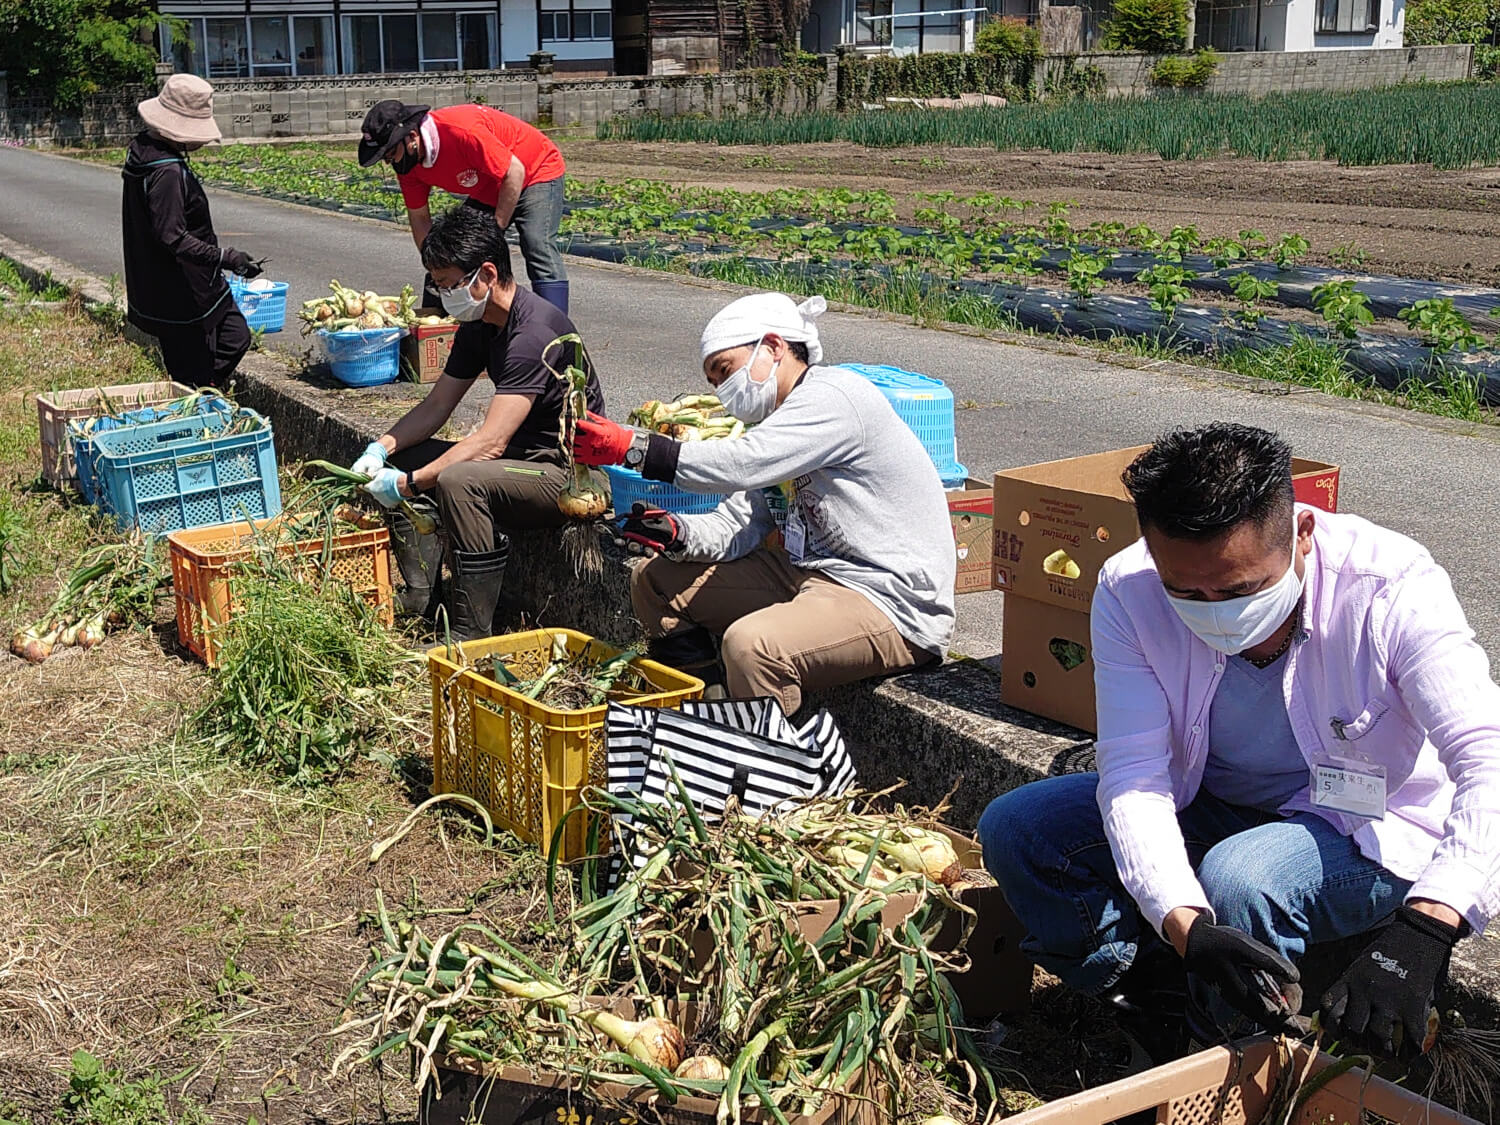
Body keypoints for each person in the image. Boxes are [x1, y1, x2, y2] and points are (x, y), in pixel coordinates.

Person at [979, 422, 1500, 1062]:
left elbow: (1486, 758)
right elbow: (1136, 775)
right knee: (1019, 827)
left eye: (1239, 590)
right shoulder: (1129, 588)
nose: (1215, 612)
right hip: (1215, 795)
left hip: (1369, 820)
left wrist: (1429, 925)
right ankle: (1155, 995)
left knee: (1242, 878)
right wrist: (1185, 925)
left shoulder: (1390, 587)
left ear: (1302, 533)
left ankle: (1230, 1061)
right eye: (1187, 593)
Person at [571, 292, 955, 718]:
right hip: (809, 571)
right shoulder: (776, 419)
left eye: (725, 371)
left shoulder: (835, 397)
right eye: (714, 381)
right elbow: (741, 519)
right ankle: (703, 716)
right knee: (654, 581)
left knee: (752, 645)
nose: (722, 389)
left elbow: (743, 463)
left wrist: (635, 448)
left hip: (887, 595)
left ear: (772, 347)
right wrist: (679, 533)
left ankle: (769, 771)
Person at [348, 205, 603, 641]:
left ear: (486, 274)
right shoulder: (481, 324)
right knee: (410, 457)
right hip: (518, 460)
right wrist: (382, 449)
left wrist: (410, 485)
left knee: (459, 479)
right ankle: (422, 594)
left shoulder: (533, 335)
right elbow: (436, 406)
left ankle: (472, 630)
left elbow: (490, 442)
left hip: (563, 473)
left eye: (450, 284)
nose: (446, 296)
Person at [357, 100, 569, 313]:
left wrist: (496, 229)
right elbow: (419, 218)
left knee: (536, 242)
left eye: (390, 154)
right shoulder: (408, 166)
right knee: (453, 246)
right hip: (490, 185)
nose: (389, 163)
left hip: (535, 170)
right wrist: (436, 266)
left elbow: (514, 172)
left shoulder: (461, 132)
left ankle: (555, 325)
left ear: (412, 138)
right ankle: (450, 329)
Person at [121, 74, 261, 388]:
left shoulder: (144, 151)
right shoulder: (166, 172)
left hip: (189, 285)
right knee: (195, 366)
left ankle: (205, 391)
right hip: (181, 292)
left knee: (234, 336)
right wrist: (226, 257)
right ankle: (200, 398)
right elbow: (171, 236)